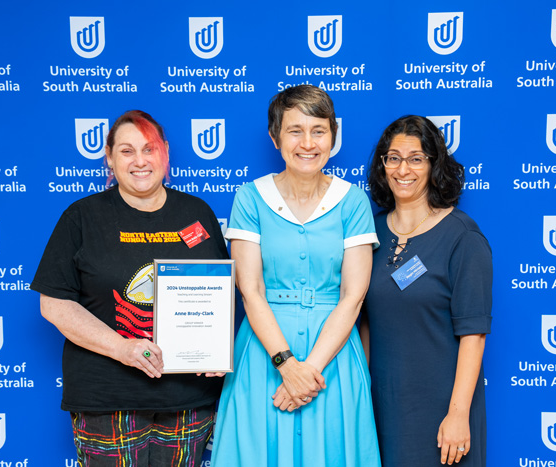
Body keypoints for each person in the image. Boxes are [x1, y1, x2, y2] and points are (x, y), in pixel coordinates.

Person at [31, 110, 228, 467]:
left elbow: (217, 294)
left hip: (187, 400)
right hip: (108, 399)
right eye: (126, 151)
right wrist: (122, 349)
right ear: (108, 157)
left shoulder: (198, 213)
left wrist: (214, 350)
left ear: (165, 152)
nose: (140, 161)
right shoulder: (82, 217)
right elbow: (55, 305)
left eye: (149, 149)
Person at [211, 85, 381, 466]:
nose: (308, 143)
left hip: (332, 361)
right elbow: (251, 291)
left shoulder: (352, 201)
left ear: (333, 136)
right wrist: (287, 365)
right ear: (275, 137)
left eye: (318, 130)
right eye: (295, 130)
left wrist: (310, 371)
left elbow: (353, 296)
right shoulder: (250, 198)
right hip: (263, 355)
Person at [362, 115, 492, 466]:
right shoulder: (369, 233)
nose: (403, 169)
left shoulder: (462, 237)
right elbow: (364, 324)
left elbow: (474, 334)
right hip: (381, 408)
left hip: (441, 412)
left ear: (434, 165)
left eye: (416, 158)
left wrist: (458, 414)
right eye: (393, 158)